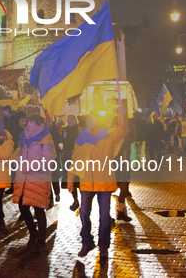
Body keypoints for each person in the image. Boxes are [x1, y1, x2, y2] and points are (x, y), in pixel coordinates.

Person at [69, 106, 129, 265]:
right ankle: (87, 242)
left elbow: (123, 130)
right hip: (87, 182)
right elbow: (75, 158)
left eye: (93, 118)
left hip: (104, 181)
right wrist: (70, 179)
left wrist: (123, 114)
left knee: (104, 217)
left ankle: (104, 247)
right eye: (88, 118)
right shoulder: (82, 137)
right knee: (83, 213)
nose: (90, 121)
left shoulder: (108, 135)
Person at [12, 114, 55, 253]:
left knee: (39, 210)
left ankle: (41, 240)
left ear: (37, 124)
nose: (27, 124)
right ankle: (33, 233)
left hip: (38, 179)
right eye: (28, 121)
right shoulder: (24, 138)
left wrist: (29, 166)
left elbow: (48, 160)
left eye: (30, 122)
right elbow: (20, 155)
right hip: (24, 179)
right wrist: (18, 163)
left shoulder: (45, 140)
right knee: (23, 208)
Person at [2, 105, 23, 194]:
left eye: (4, 111)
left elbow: (16, 130)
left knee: (16, 166)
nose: (3, 113)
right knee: (10, 167)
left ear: (8, 111)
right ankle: (11, 186)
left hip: (15, 144)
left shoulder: (15, 119)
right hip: (8, 144)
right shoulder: (5, 119)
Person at [62, 114, 80, 211]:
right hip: (68, 156)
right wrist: (62, 148)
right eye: (68, 119)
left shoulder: (79, 129)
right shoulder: (65, 130)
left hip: (78, 156)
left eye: (71, 119)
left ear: (75, 120)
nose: (69, 121)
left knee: (79, 178)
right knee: (71, 180)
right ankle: (75, 199)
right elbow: (62, 141)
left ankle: (83, 199)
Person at [47, 115, 64, 203]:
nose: (48, 123)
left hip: (55, 156)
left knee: (55, 177)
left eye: (49, 122)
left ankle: (57, 193)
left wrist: (61, 150)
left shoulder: (55, 130)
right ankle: (50, 198)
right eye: (46, 122)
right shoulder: (43, 131)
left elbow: (60, 141)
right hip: (46, 158)